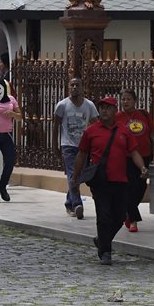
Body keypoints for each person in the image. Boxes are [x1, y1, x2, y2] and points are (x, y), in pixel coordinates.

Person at [72, 97, 149, 264]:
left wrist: (142, 167)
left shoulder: (124, 131)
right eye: (102, 108)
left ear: (115, 111)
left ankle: (102, 240)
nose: (104, 111)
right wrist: (75, 176)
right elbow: (82, 154)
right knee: (104, 216)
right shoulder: (91, 131)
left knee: (120, 216)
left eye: (108, 108)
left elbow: (134, 152)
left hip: (120, 180)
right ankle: (105, 251)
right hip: (100, 181)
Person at [117, 88, 154, 231]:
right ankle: (134, 219)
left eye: (128, 99)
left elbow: (153, 134)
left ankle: (128, 212)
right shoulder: (118, 117)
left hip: (145, 155)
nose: (125, 102)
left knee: (140, 187)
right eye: (123, 99)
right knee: (128, 187)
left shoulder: (143, 114)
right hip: (126, 158)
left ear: (135, 101)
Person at [54, 77, 98, 219]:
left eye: (77, 85)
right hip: (68, 145)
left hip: (83, 146)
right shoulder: (62, 105)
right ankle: (78, 204)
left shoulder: (89, 105)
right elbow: (56, 126)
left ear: (82, 87)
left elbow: (96, 125)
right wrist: (55, 146)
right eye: (72, 85)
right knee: (73, 174)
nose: (74, 87)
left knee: (77, 175)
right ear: (68, 87)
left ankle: (69, 202)